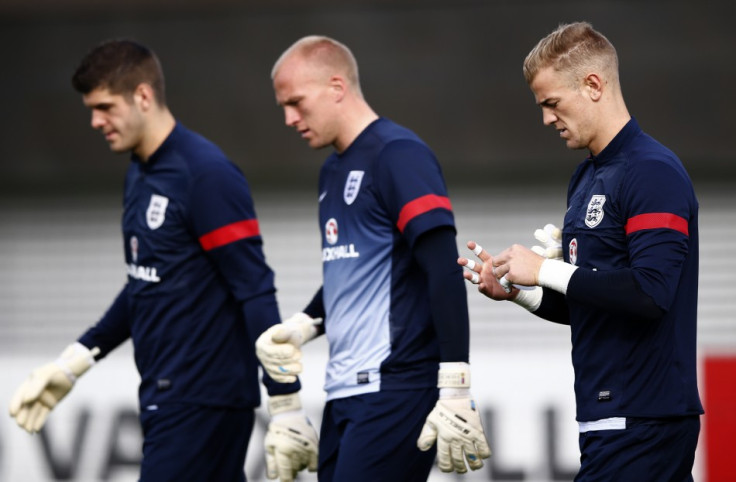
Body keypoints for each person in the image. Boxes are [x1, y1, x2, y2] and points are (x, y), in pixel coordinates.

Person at [8, 39, 318, 482]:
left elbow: (254, 289)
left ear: (143, 96)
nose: (96, 121)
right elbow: (146, 281)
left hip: (203, 401)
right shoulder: (139, 172)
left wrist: (285, 402)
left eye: (105, 107)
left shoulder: (205, 174)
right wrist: (73, 362)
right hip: (166, 396)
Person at [459, 22, 703, 481]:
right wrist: (520, 291)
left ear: (593, 84)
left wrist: (547, 271)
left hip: (644, 418)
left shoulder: (652, 171)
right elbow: (595, 304)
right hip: (605, 418)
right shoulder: (585, 177)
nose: (547, 119)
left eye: (552, 103)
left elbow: (651, 293)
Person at [255, 35, 491, 481]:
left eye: (296, 102)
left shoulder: (397, 154)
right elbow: (359, 272)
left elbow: (442, 266)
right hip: (343, 391)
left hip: (396, 388)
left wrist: (456, 384)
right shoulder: (332, 170)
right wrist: (302, 325)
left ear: (337, 87)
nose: (289, 118)